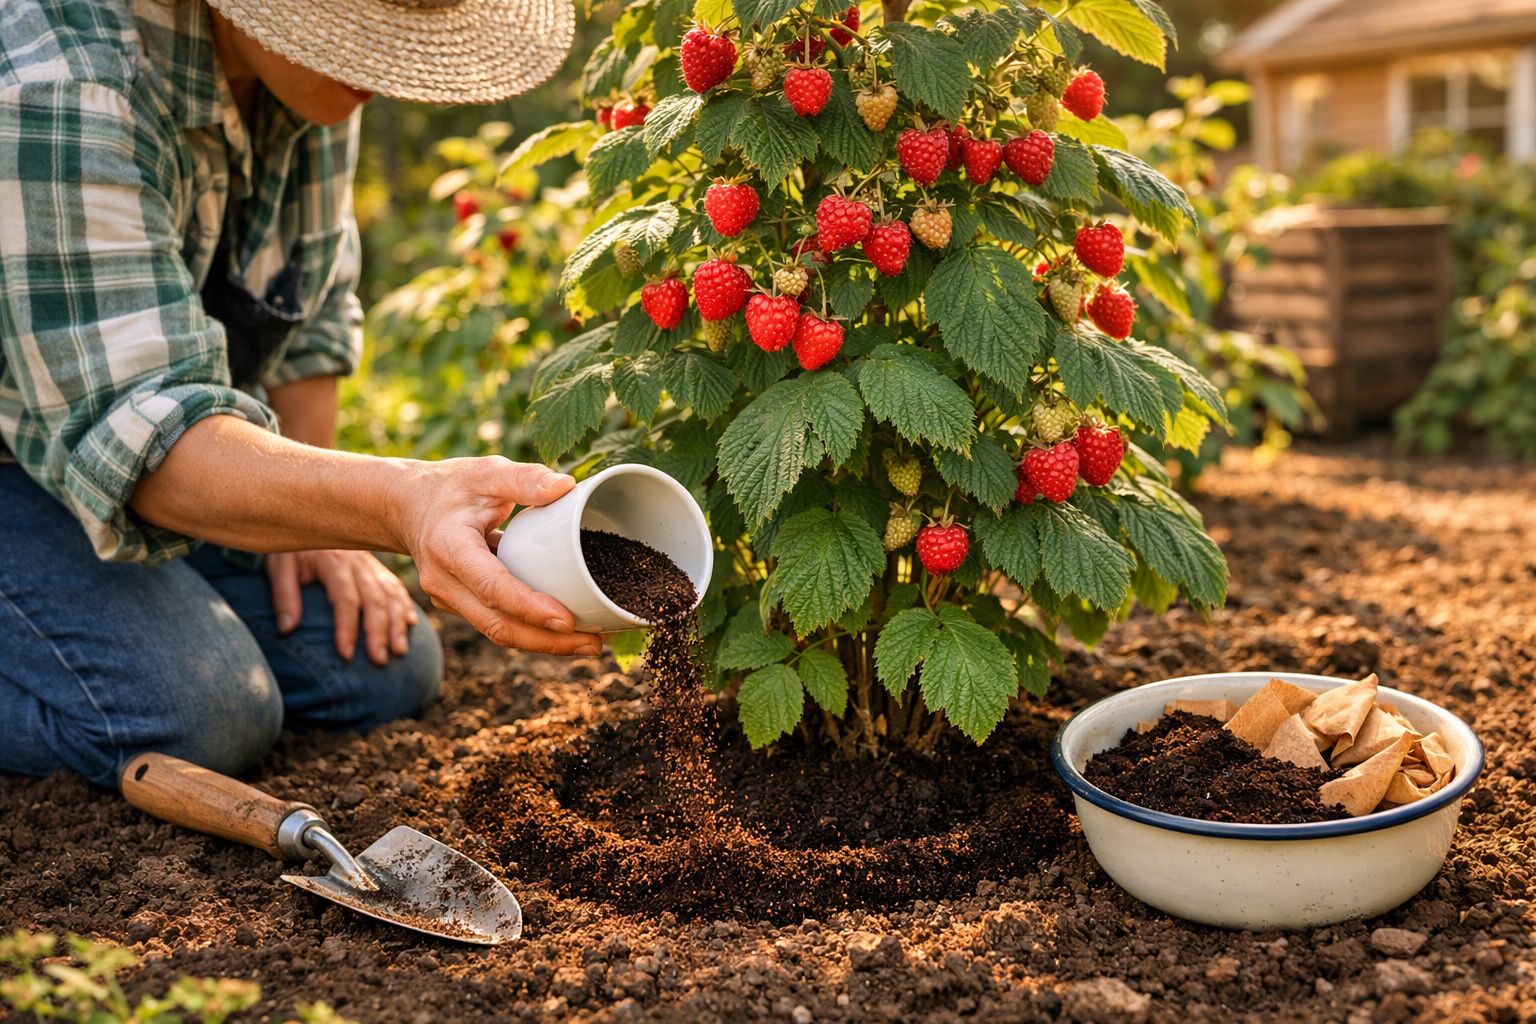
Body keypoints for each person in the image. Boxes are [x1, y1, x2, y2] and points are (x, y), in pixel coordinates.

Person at [0, 0, 598, 790]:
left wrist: (325, 523)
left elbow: (305, 311)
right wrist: (396, 503)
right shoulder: (64, 85)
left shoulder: (304, 82)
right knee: (202, 713)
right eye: (360, 35)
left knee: (375, 667)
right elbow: (139, 430)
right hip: (31, 450)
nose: (385, 69)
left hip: (134, 443)